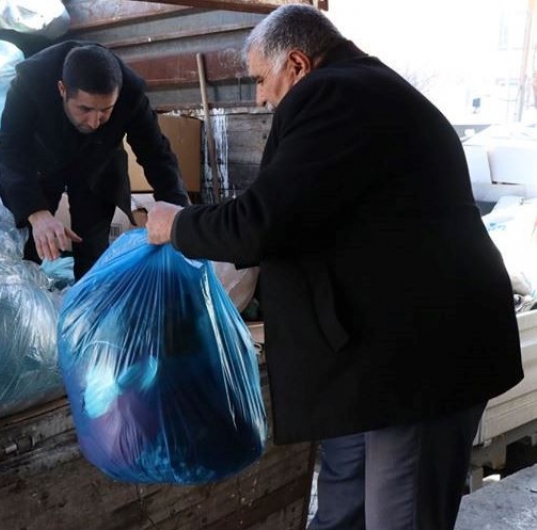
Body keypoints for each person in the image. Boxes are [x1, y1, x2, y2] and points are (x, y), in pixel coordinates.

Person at [145, 5, 523, 530]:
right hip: (371, 360)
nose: (259, 96)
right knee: (344, 503)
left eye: (260, 79)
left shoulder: (338, 96)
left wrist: (177, 224)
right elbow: (301, 214)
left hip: (419, 363)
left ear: (297, 65)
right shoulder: (361, 92)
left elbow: (263, 222)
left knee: (400, 514)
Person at [0, 41, 190, 280]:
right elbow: (9, 149)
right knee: (28, 245)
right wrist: (36, 212)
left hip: (98, 162)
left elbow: (157, 155)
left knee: (93, 252)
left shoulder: (131, 93)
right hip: (41, 163)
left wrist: (179, 216)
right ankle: (23, 305)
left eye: (105, 110)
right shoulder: (31, 80)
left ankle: (87, 312)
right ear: (62, 89)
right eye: (84, 109)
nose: (94, 122)